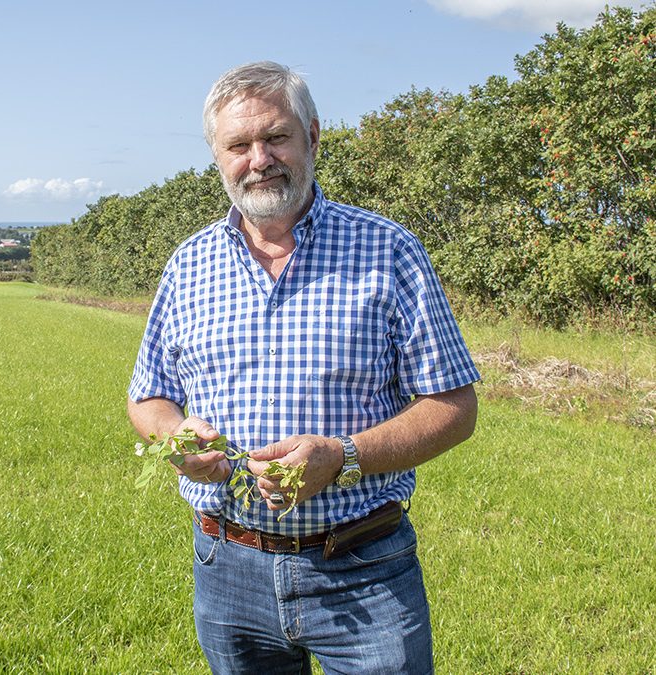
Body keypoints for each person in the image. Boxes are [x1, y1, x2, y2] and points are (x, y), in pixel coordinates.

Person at [127, 61, 480, 674]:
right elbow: (149, 396)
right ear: (217, 156)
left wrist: (340, 457)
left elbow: (454, 408)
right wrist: (174, 437)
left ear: (313, 137)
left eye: (276, 137)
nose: (259, 158)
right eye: (239, 145)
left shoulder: (388, 249)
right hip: (226, 567)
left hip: (364, 570)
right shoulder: (189, 264)